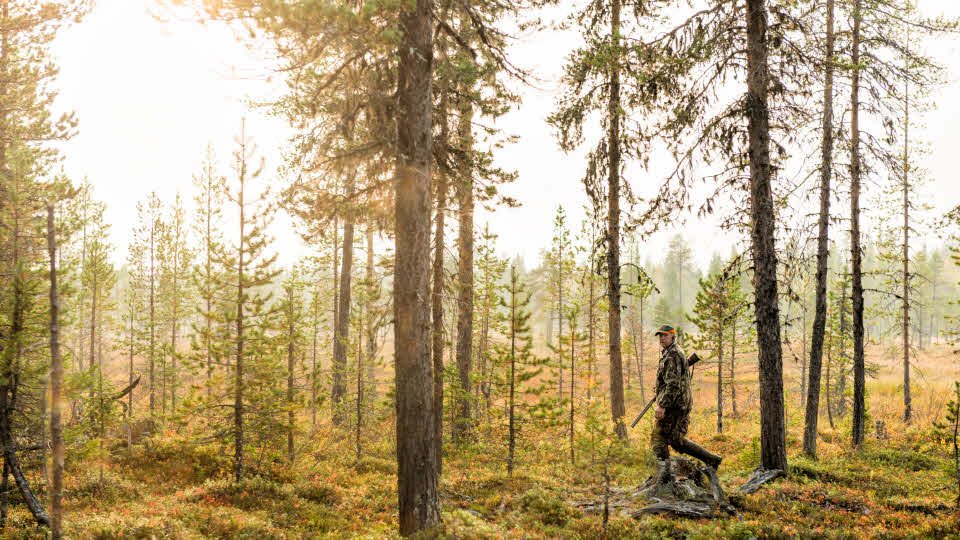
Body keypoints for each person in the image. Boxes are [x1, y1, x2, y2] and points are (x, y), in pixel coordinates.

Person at [651, 324, 722, 482]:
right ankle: (711, 460)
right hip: (677, 403)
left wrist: (662, 405)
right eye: (660, 336)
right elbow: (672, 378)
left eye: (665, 335)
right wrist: (659, 387)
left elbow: (674, 384)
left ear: (673, 337)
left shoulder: (673, 354)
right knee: (674, 439)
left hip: (675, 405)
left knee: (658, 438)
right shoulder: (670, 352)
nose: (662, 338)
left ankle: (665, 478)